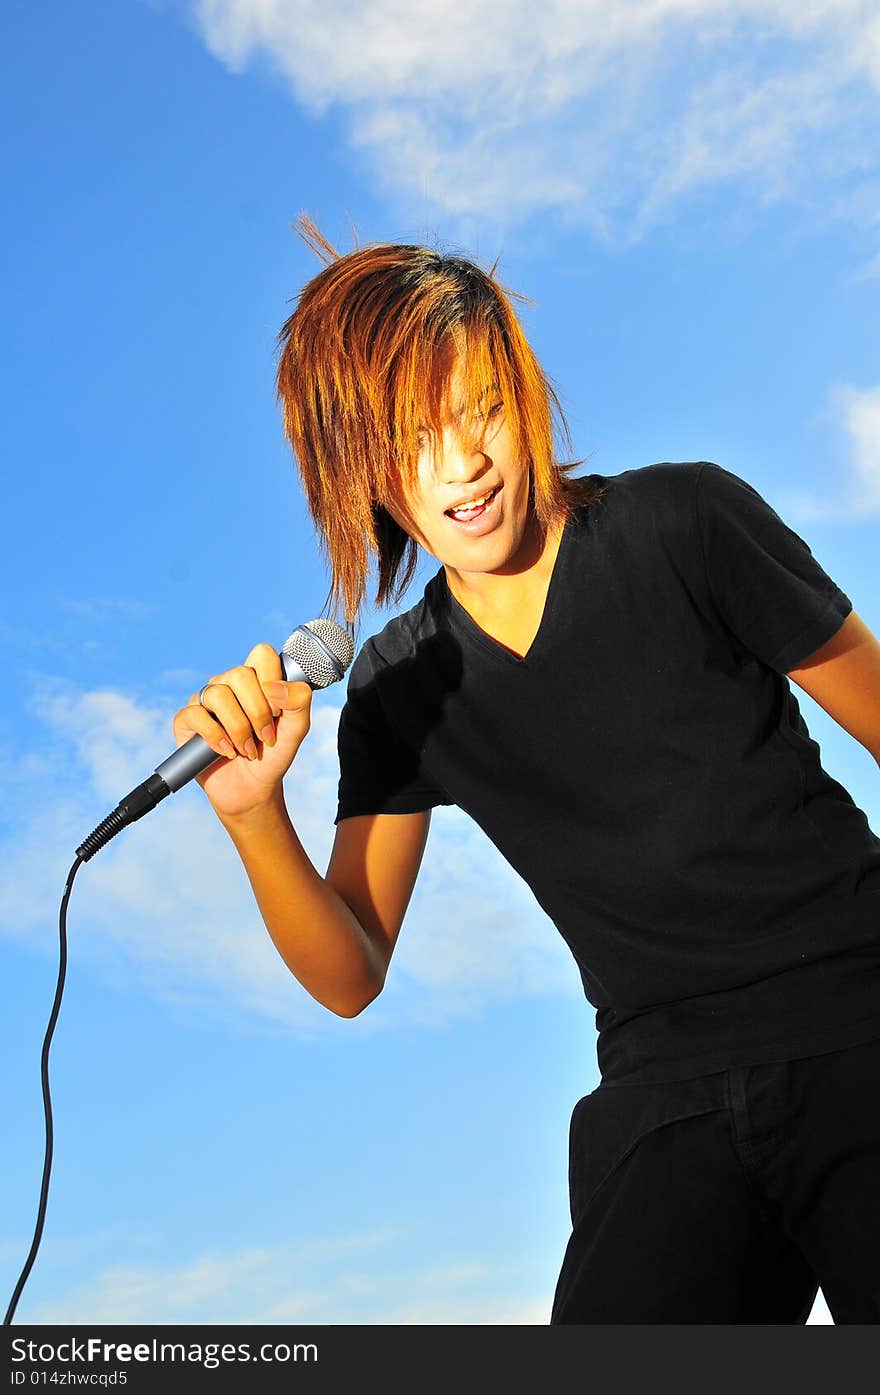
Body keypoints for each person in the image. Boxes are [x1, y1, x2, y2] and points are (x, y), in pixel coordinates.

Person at [172, 216, 880, 1324]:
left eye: (481, 409)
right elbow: (352, 971)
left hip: (858, 1015)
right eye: (411, 437)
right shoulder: (400, 685)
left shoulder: (686, 519)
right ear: (359, 469)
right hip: (657, 1090)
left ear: (523, 387)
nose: (460, 464)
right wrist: (254, 818)